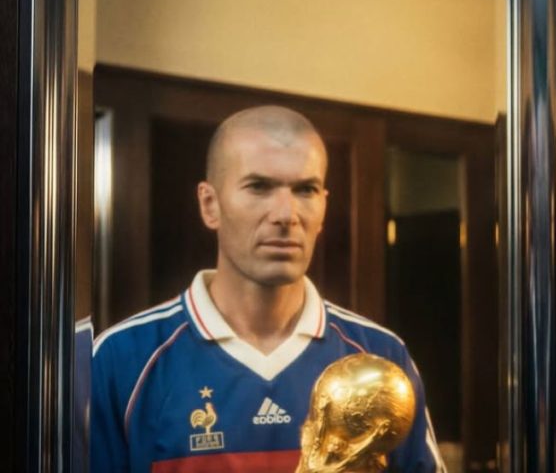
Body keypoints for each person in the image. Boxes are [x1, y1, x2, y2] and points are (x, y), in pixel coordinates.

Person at [91, 105, 446, 472]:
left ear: (324, 207)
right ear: (210, 205)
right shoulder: (121, 360)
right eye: (259, 187)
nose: (286, 215)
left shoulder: (379, 358)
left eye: (305, 189)